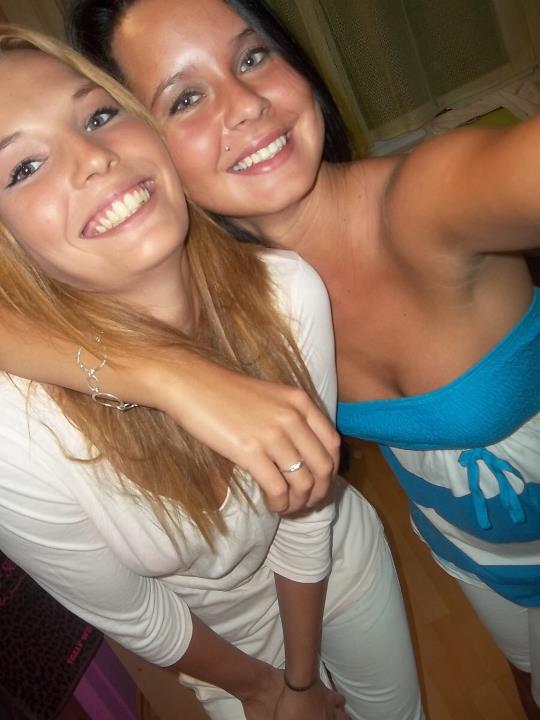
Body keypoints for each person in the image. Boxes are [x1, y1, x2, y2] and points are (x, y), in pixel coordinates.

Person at [0, 0, 538, 714]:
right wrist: (162, 373)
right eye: (185, 98)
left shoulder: (416, 207)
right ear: (154, 142)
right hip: (471, 550)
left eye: (253, 57)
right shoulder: (243, 290)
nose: (247, 104)